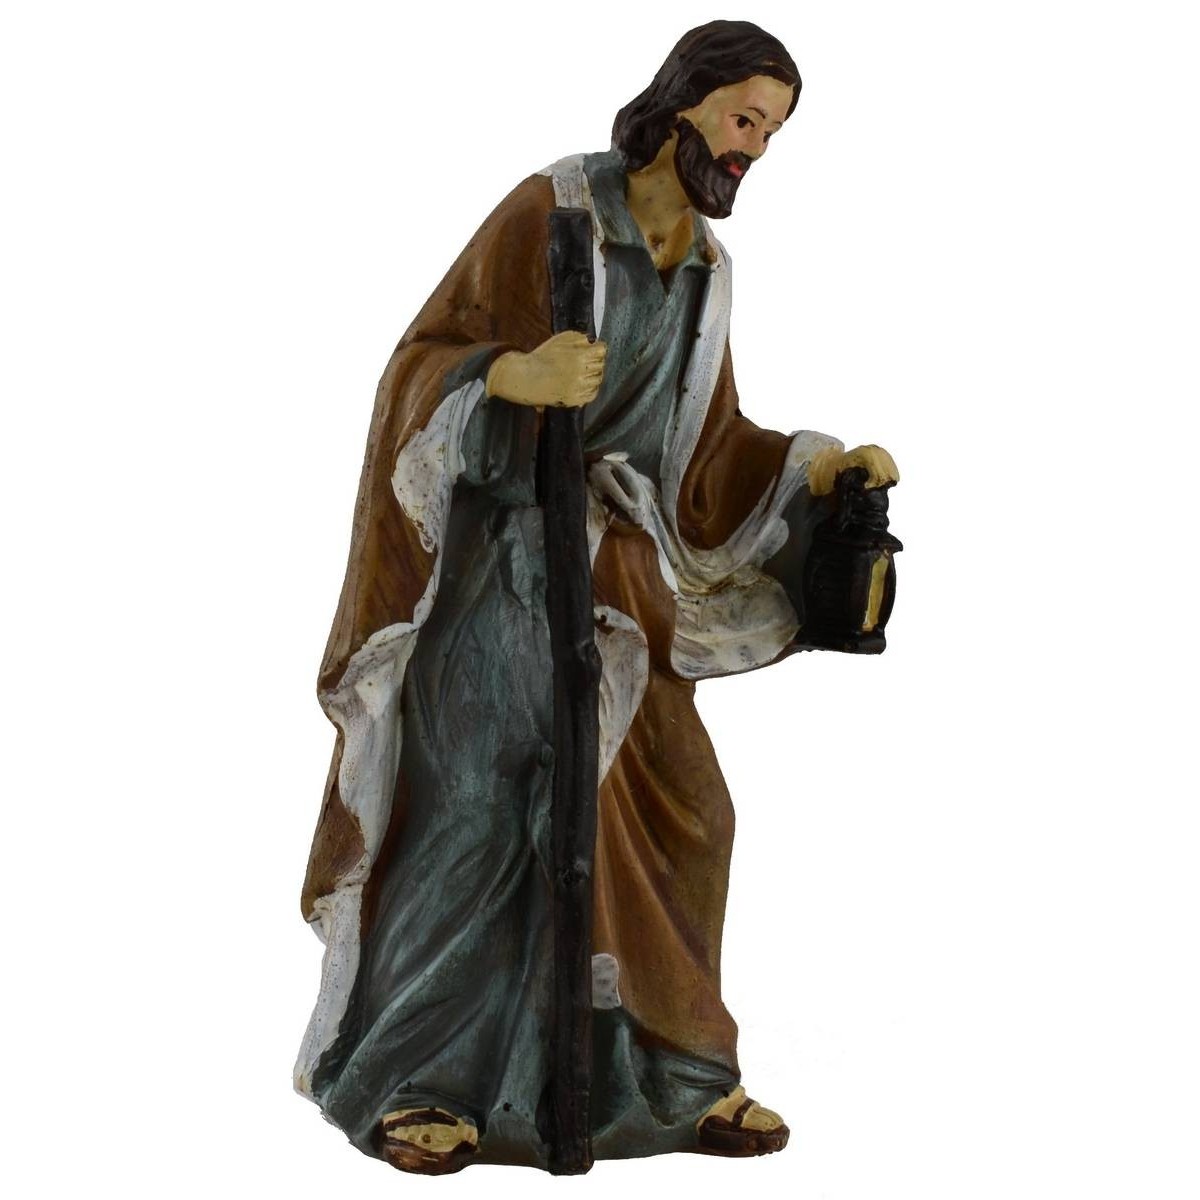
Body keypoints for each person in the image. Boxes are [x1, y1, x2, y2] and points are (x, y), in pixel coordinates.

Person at [295, 19, 898, 1174]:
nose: (753, 148)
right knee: (484, 811)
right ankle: (420, 1079)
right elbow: (418, 365)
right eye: (743, 118)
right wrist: (506, 377)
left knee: (692, 815)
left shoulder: (707, 275)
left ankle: (675, 1078)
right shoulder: (554, 210)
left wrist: (816, 468)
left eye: (772, 131)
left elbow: (705, 452)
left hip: (622, 593)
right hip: (501, 579)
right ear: (681, 105)